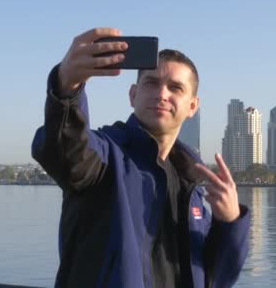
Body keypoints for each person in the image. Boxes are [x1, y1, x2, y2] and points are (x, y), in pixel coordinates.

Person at [31, 27, 250, 288]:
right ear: (133, 95)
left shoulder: (192, 185)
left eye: (176, 87)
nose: (162, 94)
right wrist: (67, 86)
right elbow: (66, 150)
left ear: (192, 106)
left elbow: (217, 278)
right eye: (151, 83)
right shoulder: (105, 157)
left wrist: (230, 222)